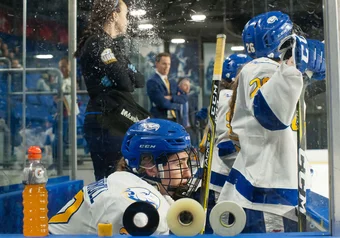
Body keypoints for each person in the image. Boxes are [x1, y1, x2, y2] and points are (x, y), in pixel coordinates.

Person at [217, 11, 325, 233]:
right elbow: (272, 116)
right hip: (267, 201)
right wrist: (292, 64)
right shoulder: (262, 68)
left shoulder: (272, 70)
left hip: (265, 195)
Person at [48, 118, 201, 235]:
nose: (187, 173)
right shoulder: (137, 209)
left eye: (187, 163)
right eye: (178, 164)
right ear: (149, 165)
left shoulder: (123, 181)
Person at [74, 0, 150, 180]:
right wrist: (125, 71)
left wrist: (123, 70)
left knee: (121, 179)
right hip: (105, 120)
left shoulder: (112, 45)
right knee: (109, 180)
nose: (127, 20)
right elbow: (125, 82)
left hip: (113, 117)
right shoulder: (98, 43)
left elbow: (138, 80)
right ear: (114, 15)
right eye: (125, 15)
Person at [147, 52, 187, 121]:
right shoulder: (152, 81)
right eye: (164, 64)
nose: (167, 67)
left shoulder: (172, 81)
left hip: (175, 120)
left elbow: (184, 98)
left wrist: (171, 97)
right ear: (157, 64)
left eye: (169, 64)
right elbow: (162, 103)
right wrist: (177, 106)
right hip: (160, 120)